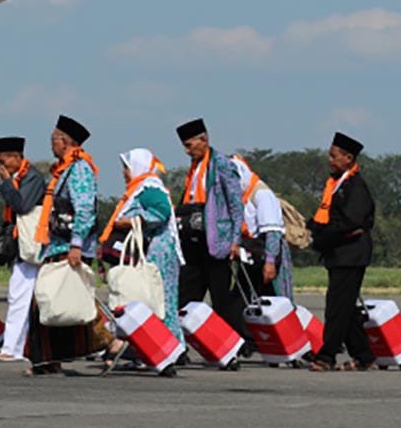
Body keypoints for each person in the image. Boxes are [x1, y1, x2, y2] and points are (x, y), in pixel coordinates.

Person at [26, 116, 121, 376]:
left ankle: (47, 359)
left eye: (53, 140)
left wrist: (76, 245)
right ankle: (51, 359)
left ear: (66, 141)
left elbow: (84, 209)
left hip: (68, 247)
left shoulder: (79, 169)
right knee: (63, 303)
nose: (51, 145)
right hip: (57, 245)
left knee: (49, 302)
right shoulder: (63, 169)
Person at [99, 148, 185, 349]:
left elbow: (162, 211)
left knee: (161, 301)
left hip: (160, 251)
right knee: (151, 299)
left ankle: (172, 347)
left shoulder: (150, 188)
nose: (123, 173)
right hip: (151, 249)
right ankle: (155, 348)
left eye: (127, 168)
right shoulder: (139, 189)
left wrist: (133, 222)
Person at [174, 119, 249, 346]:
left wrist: (235, 240)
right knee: (186, 296)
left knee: (221, 299)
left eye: (190, 145)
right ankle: (179, 346)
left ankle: (232, 345)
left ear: (203, 140)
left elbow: (236, 205)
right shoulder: (194, 168)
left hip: (216, 241)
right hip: (192, 240)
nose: (188, 151)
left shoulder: (222, 165)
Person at [307, 132, 376, 372]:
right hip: (338, 254)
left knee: (337, 308)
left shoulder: (355, 186)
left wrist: (321, 237)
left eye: (334, 156)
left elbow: (349, 222)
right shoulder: (336, 184)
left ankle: (326, 356)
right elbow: (328, 217)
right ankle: (364, 356)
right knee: (344, 306)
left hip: (351, 253)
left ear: (348, 158)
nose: (330, 160)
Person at [0, 136, 46, 364]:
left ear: (16, 157)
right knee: (22, 297)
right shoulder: (19, 177)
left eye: (3, 161)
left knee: (19, 295)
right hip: (23, 247)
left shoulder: (31, 178)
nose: (1, 167)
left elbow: (21, 205)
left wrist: (5, 183)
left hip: (31, 247)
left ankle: (11, 348)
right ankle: (17, 347)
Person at [231, 155, 293, 301]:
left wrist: (270, 263)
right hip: (250, 254)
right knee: (242, 303)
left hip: (267, 254)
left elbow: (272, 232)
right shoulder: (239, 198)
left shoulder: (262, 194)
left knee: (274, 302)